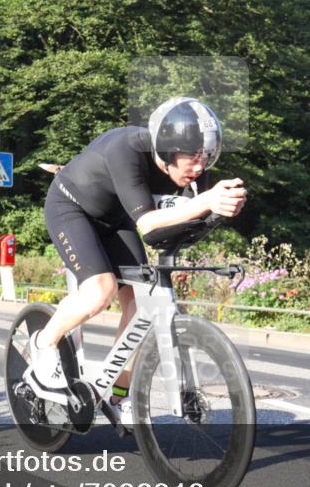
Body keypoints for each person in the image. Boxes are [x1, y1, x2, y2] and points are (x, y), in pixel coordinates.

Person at [29, 97, 247, 426]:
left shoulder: (193, 173)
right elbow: (147, 223)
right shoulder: (127, 149)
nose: (200, 166)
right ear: (165, 150)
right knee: (101, 290)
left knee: (142, 302)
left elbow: (172, 228)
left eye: (206, 155)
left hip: (117, 219)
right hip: (72, 208)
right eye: (191, 156)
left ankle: (117, 394)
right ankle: (43, 343)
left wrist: (218, 210)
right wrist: (204, 202)